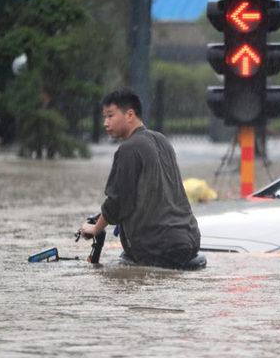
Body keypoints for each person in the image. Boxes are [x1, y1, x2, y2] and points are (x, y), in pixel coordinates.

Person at [78, 89, 201, 269]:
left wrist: (95, 228)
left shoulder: (128, 149)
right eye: (104, 117)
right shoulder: (162, 140)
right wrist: (102, 217)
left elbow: (118, 201)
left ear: (130, 115)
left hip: (156, 248)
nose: (105, 123)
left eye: (110, 116)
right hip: (190, 241)